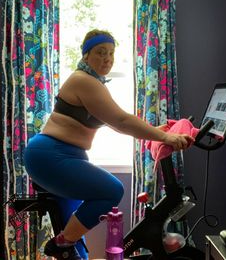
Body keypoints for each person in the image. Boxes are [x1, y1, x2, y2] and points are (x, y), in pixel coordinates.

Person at [24, 29, 195, 260]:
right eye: (100, 52)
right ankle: (59, 244)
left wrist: (156, 133)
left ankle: (65, 245)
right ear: (86, 56)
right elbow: (121, 120)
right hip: (51, 154)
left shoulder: (95, 83)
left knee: (77, 243)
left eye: (111, 53)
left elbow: (116, 123)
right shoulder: (83, 80)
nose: (107, 58)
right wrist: (163, 138)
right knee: (113, 190)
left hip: (67, 156)